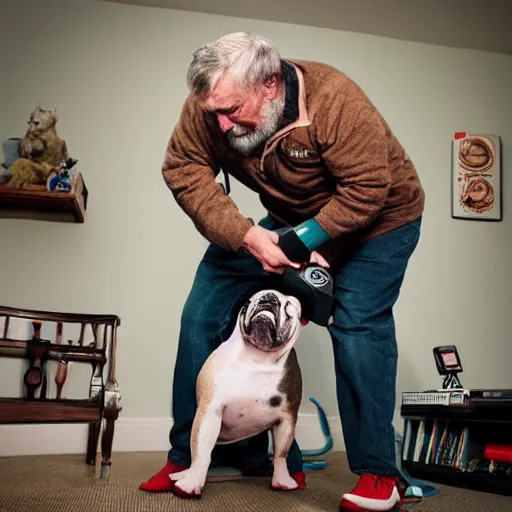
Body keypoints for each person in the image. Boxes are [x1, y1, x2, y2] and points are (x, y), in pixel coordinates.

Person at [139, 32, 425, 512]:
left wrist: (315, 246)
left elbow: (368, 189)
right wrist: (249, 236)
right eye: (215, 113)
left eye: (233, 109)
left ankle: (380, 474)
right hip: (288, 219)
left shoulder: (337, 102)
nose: (223, 125)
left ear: (271, 85)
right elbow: (183, 167)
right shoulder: (211, 104)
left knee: (356, 326)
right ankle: (191, 456)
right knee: (201, 314)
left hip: (381, 219)